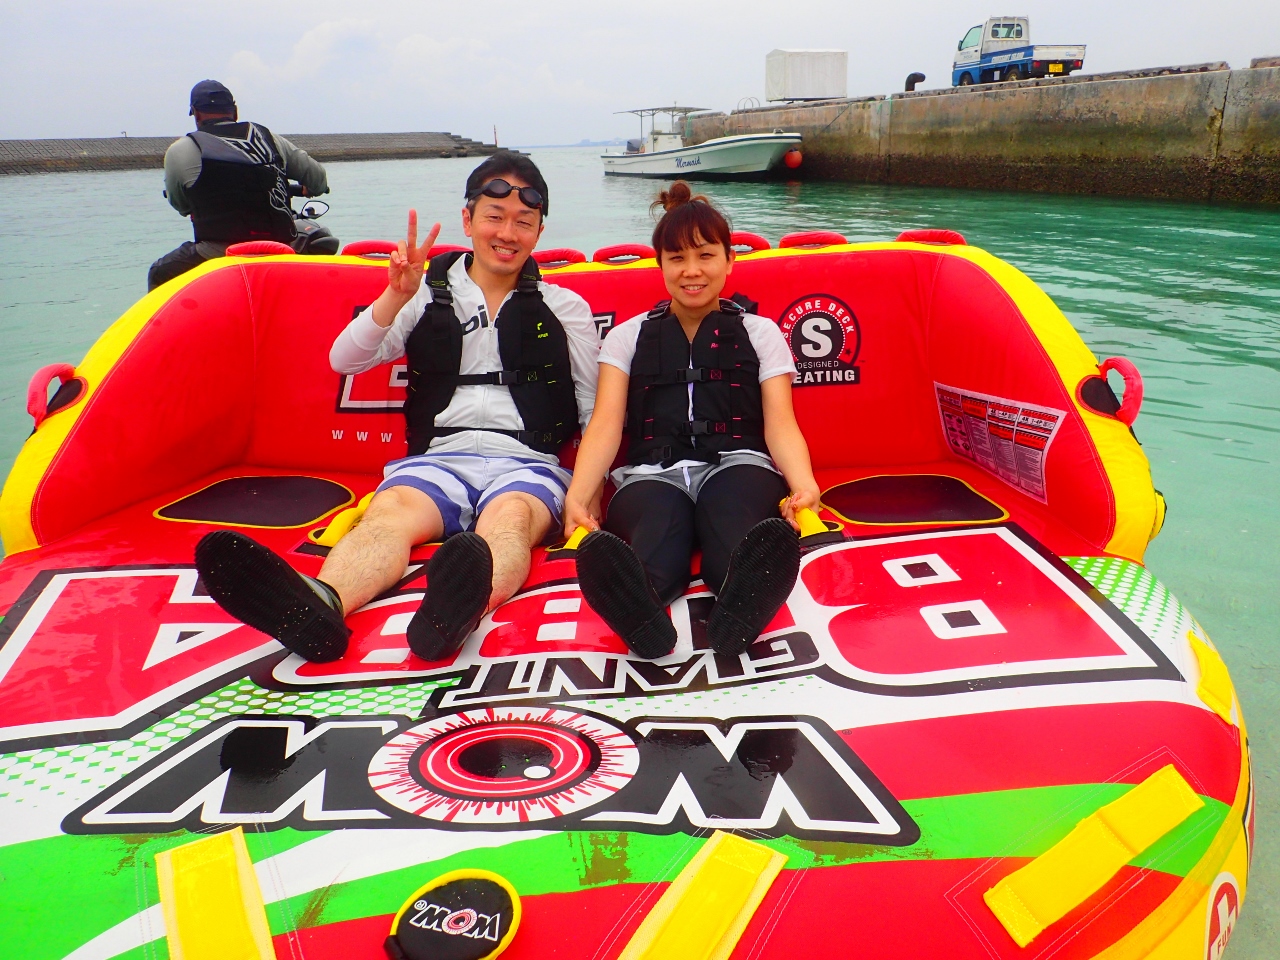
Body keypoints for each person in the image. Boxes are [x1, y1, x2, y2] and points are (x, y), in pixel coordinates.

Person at [195, 153, 601, 664]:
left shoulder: (566, 308)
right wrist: (394, 295)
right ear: (467, 220)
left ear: (539, 231)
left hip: (528, 462)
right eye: (494, 217)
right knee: (385, 517)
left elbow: (594, 409)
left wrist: (585, 496)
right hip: (437, 460)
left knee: (511, 520)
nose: (507, 233)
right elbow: (345, 359)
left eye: (524, 222)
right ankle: (321, 606)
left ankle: (456, 614)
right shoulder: (421, 293)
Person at [562, 181, 822, 659]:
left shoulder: (760, 332)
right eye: (677, 258)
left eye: (705, 255)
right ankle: (640, 614)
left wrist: (803, 484)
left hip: (738, 464)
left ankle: (742, 603)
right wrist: (579, 497)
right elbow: (606, 425)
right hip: (650, 473)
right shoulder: (626, 338)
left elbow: (780, 424)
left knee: (733, 532)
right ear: (660, 265)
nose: (692, 271)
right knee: (656, 544)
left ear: (729, 260)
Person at [147, 80, 329, 290]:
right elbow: (318, 179)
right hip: (279, 247)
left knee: (158, 272)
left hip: (217, 251)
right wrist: (310, 188)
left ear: (196, 114)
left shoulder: (182, 149)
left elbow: (181, 205)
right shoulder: (269, 138)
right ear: (234, 111)